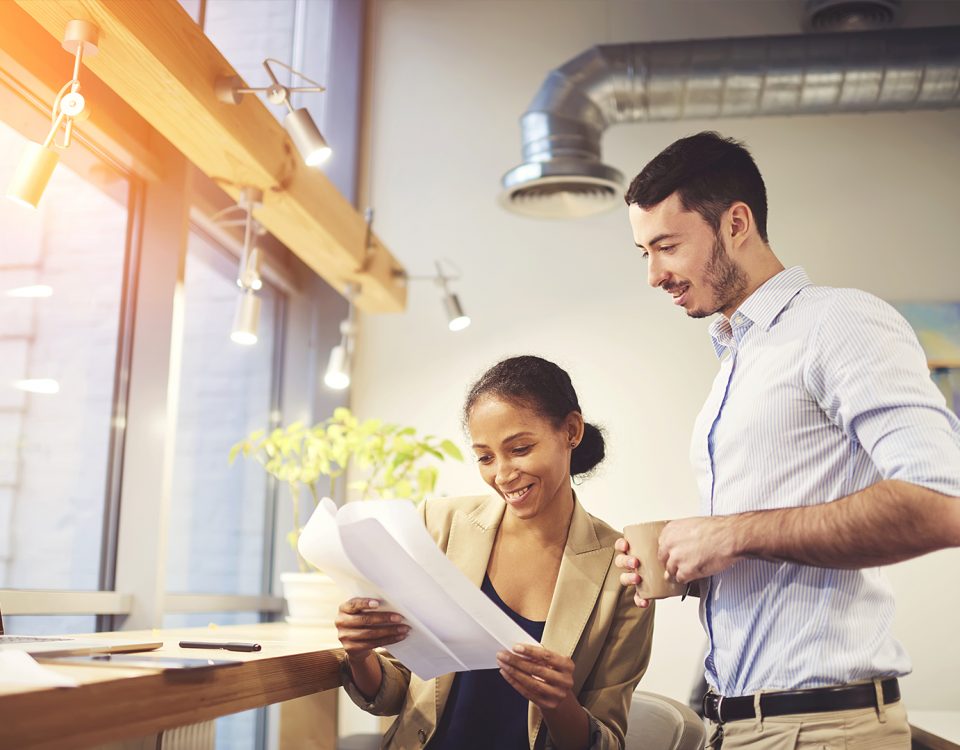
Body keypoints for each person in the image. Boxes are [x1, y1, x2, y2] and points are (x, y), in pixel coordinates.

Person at [616, 131, 960, 749]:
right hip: (741, 721)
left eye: (667, 246)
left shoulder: (838, 321)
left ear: (736, 223)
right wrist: (691, 561)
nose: (653, 274)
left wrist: (732, 534)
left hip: (820, 727)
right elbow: (763, 541)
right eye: (643, 251)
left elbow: (941, 503)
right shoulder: (740, 354)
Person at [336, 355, 654, 749]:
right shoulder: (439, 524)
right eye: (485, 457)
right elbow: (401, 693)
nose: (502, 474)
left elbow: (606, 742)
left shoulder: (621, 570)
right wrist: (360, 654)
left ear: (571, 430)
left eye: (519, 449)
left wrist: (559, 703)